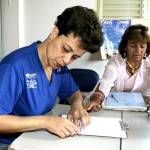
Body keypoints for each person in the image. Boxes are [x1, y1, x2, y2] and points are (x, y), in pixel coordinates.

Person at [0, 5, 103, 149]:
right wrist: (46, 122)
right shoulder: (15, 66)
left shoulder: (58, 66)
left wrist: (77, 105)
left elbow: (74, 92)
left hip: (36, 138)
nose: (67, 60)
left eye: (74, 57)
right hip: (10, 144)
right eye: (66, 49)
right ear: (55, 33)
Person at [83, 24, 150, 112]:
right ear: (125, 47)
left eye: (142, 46)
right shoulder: (116, 61)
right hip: (114, 109)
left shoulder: (148, 63)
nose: (138, 51)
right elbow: (106, 82)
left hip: (141, 110)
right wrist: (97, 100)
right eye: (133, 46)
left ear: (147, 47)